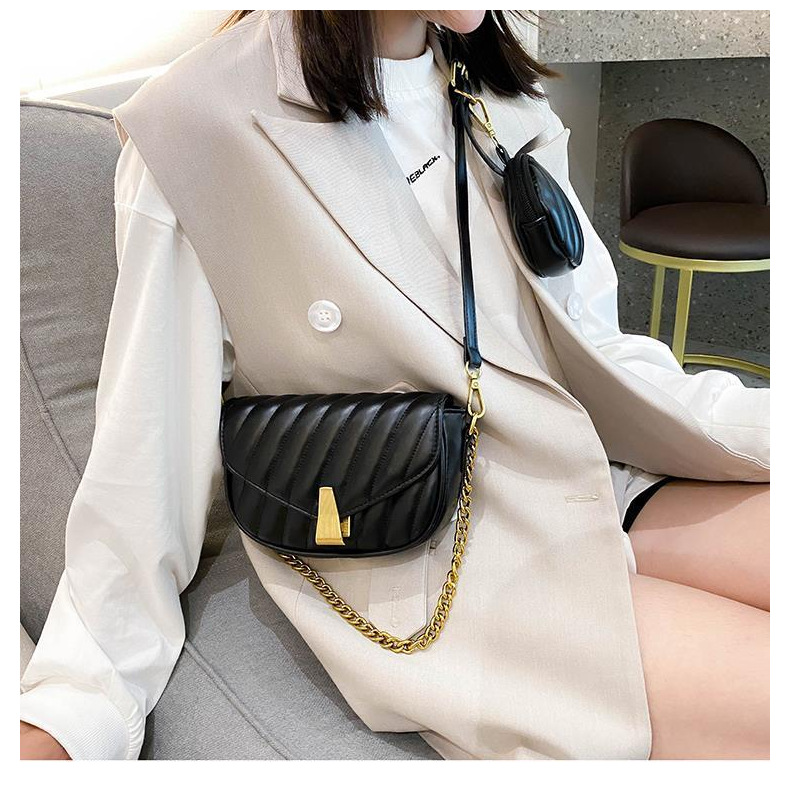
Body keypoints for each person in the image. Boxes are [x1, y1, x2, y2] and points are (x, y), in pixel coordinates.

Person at [20, 10, 769, 760]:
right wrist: (78, 709)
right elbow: (145, 465)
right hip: (439, 542)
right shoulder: (197, 125)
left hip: (593, 466)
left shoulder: (495, 86)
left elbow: (590, 345)